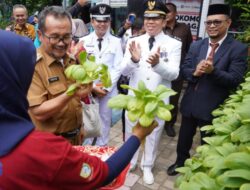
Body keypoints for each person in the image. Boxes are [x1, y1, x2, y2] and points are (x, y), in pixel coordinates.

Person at [0, 29, 158, 189]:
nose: (62, 42)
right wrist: (137, 136)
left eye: (67, 35)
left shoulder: (73, 60)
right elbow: (104, 173)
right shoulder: (42, 151)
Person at [167, 4, 248, 176]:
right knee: (183, 141)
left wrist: (214, 71)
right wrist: (195, 72)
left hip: (213, 107)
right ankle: (180, 162)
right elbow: (185, 69)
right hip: (190, 104)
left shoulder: (237, 49)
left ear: (228, 23)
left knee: (207, 146)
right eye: (208, 22)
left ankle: (202, 172)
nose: (212, 26)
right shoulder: (197, 45)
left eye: (217, 22)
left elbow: (235, 80)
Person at [121, 0, 182, 185]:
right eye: (147, 18)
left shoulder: (173, 44)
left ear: (164, 21)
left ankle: (147, 165)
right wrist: (133, 59)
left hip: (157, 99)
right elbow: (124, 71)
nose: (150, 22)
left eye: (156, 18)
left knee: (154, 134)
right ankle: (130, 162)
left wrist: (157, 65)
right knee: (132, 131)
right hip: (135, 99)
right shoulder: (134, 41)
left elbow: (174, 74)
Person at [27, 6, 90, 145]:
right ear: (40, 35)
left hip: (76, 138)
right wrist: (72, 93)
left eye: (67, 36)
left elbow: (75, 104)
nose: (62, 43)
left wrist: (80, 128)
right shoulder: (32, 65)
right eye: (55, 37)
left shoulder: (70, 60)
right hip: (50, 146)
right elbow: (38, 112)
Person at [79, 4, 123, 146]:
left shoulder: (116, 42)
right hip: (89, 90)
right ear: (92, 21)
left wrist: (105, 88)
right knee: (88, 120)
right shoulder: (83, 41)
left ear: (109, 22)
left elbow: (117, 67)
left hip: (107, 91)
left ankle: (101, 149)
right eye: (98, 21)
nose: (102, 24)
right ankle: (88, 150)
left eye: (105, 21)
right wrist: (92, 87)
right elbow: (81, 68)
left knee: (104, 121)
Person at [163, 2, 193, 137]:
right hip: (160, 70)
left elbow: (189, 50)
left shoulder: (184, 29)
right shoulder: (159, 28)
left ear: (175, 13)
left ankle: (169, 124)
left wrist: (186, 67)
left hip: (177, 72)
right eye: (164, 12)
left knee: (173, 100)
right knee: (158, 97)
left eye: (168, 11)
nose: (166, 14)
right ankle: (156, 123)